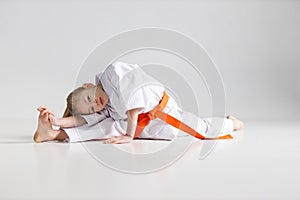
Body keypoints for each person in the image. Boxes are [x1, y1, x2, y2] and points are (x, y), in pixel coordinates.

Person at [33, 62, 244, 144]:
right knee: (106, 126)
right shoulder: (105, 106)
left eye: (89, 98)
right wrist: (57, 120)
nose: (94, 104)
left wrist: (128, 135)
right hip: (142, 127)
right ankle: (52, 133)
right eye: (91, 108)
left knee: (201, 129)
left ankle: (231, 123)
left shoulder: (113, 73)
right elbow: (81, 119)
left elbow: (134, 104)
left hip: (161, 115)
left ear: (89, 85)